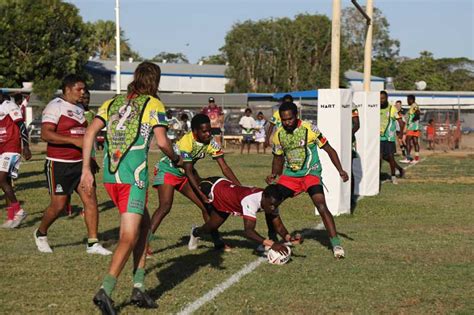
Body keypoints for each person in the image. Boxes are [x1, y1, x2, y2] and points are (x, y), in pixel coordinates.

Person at [81, 61, 182, 313]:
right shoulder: (153, 104)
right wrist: (177, 158)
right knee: (129, 236)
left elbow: (89, 132)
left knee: (144, 226)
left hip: (111, 175)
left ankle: (138, 287)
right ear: (155, 81)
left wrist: (86, 169)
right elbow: (161, 141)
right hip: (133, 178)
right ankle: (105, 290)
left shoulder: (112, 103)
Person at [33, 75, 111, 256]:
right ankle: (41, 233)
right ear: (67, 89)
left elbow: (84, 135)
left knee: (90, 199)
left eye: (84, 89)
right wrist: (73, 141)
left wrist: (89, 159)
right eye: (79, 89)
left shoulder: (79, 108)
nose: (83, 92)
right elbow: (46, 134)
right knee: (58, 206)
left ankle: (93, 243)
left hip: (80, 165)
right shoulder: (55, 106)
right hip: (59, 164)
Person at [266, 101, 349, 259]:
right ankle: (272, 238)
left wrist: (340, 170)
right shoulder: (278, 135)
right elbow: (278, 158)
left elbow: (329, 149)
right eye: (283, 120)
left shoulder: (310, 129)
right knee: (269, 202)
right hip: (290, 176)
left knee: (320, 204)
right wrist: (274, 174)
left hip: (311, 173)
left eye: (290, 119)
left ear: (296, 116)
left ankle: (336, 244)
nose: (287, 122)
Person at [150, 114, 241, 252]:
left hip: (185, 174)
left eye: (209, 130)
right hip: (168, 171)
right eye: (204, 131)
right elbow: (188, 170)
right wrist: (201, 193)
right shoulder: (187, 141)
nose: (208, 133)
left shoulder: (211, 142)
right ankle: (143, 245)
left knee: (207, 207)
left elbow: (225, 167)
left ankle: (218, 242)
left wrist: (239, 188)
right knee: (165, 206)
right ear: (194, 131)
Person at [189, 177, 302, 253]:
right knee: (210, 227)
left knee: (213, 226)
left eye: (275, 205)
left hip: (227, 195)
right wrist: (271, 244)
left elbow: (278, 225)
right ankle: (195, 232)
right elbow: (248, 231)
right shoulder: (251, 201)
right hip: (213, 189)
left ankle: (215, 241)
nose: (273, 208)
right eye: (271, 205)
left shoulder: (271, 200)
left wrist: (289, 238)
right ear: (264, 197)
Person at [0, 92, 31, 228]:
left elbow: (21, 125)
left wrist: (26, 146)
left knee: (0, 179)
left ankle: (19, 210)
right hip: (1, 148)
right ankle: (11, 217)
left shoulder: (9, 105)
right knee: (5, 182)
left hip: (11, 147)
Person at [380, 91, 405, 184]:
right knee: (380, 157)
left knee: (390, 157)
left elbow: (401, 122)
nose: (380, 100)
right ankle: (377, 176)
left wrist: (401, 133)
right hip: (378, 137)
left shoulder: (392, 109)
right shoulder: (375, 108)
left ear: (386, 98)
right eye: (379, 98)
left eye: (382, 98)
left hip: (389, 138)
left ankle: (393, 176)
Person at [405, 95, 421, 164]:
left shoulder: (414, 105)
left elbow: (418, 113)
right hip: (415, 127)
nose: (407, 101)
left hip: (412, 127)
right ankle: (416, 159)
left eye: (408, 100)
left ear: (411, 99)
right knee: (415, 142)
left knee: (407, 141)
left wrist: (414, 121)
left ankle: (408, 158)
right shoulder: (414, 105)